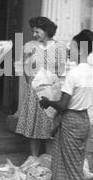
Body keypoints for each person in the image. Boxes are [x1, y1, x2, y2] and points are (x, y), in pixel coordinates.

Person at [39, 29, 93, 180]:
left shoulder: (74, 74)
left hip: (71, 120)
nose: (68, 50)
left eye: (71, 46)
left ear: (80, 49)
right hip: (83, 119)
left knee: (72, 166)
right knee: (69, 161)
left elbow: (63, 105)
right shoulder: (92, 73)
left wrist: (47, 101)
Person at [15, 17, 67, 157]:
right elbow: (21, 66)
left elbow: (62, 71)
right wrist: (30, 80)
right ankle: (34, 158)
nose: (34, 35)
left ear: (46, 31)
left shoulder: (59, 47)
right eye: (33, 32)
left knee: (51, 124)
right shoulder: (29, 46)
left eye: (37, 31)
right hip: (35, 91)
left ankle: (50, 158)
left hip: (52, 91)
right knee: (35, 127)